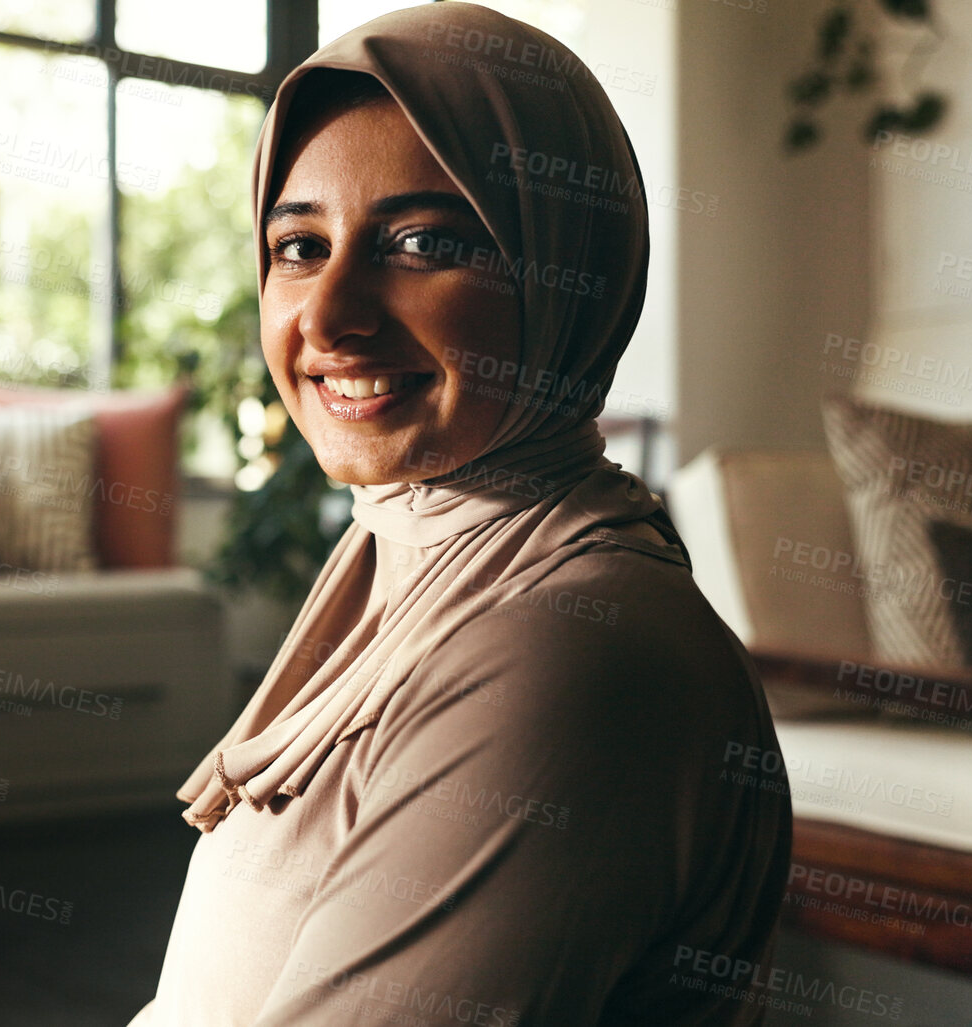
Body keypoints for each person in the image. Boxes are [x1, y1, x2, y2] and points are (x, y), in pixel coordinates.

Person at [127, 4, 792, 1024]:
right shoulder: (403, 551)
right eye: (300, 246)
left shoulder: (566, 647)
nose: (332, 315)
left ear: (570, 268)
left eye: (424, 241)